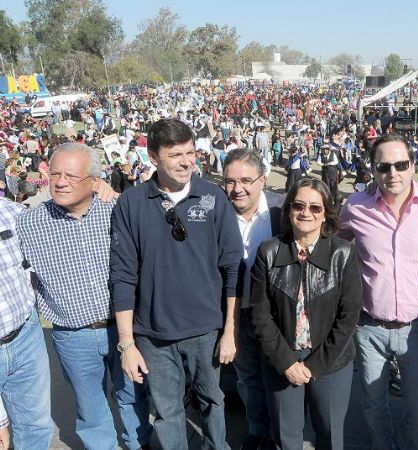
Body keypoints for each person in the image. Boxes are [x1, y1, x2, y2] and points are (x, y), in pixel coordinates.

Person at [110, 118, 243, 449]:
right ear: (153, 157)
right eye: (175, 155)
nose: (187, 162)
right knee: (168, 414)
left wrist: (229, 330)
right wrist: (127, 344)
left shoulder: (212, 196)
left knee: (214, 403)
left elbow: (232, 268)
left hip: (207, 330)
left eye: (191, 152)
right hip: (154, 336)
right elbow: (123, 275)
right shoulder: (131, 203)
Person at [16, 143, 153, 450]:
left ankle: (139, 444)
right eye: (55, 174)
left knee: (133, 395)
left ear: (94, 181)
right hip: (72, 335)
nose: (61, 182)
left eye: (71, 176)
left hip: (123, 328)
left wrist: (114, 192)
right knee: (90, 407)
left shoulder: (117, 211)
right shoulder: (28, 223)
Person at [339, 133, 418, 450]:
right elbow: (334, 238)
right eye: (384, 166)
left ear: (413, 165)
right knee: (373, 407)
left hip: (416, 327)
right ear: (372, 170)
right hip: (369, 326)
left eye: (401, 164)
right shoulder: (356, 206)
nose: (393, 174)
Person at [250, 177, 363, 450]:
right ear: (289, 209)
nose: (306, 213)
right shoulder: (268, 252)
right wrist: (287, 363)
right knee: (285, 438)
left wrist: (314, 366)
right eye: (299, 205)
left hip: (330, 362)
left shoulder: (343, 254)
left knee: (330, 435)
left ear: (326, 214)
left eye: (316, 207)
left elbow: (348, 318)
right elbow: (260, 314)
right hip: (282, 359)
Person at [222, 148, 284, 450]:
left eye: (246, 180)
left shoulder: (282, 211)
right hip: (236, 314)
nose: (238, 188)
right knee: (247, 379)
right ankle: (257, 429)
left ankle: (279, 434)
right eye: (230, 181)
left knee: (278, 376)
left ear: (263, 179)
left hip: (274, 316)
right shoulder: (216, 212)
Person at [0, 197, 53, 450]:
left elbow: (58, 218)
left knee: (36, 426)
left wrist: (97, 188)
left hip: (25, 335)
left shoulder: (13, 212)